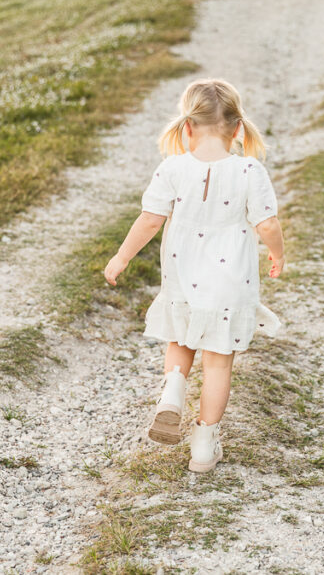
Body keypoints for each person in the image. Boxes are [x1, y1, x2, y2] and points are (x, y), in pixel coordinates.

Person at [103, 79, 285, 473]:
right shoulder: (250, 170)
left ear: (187, 127)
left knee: (180, 341)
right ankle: (204, 446)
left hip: (184, 282)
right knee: (219, 364)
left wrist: (121, 258)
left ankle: (172, 391)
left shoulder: (172, 168)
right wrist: (277, 252)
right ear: (238, 129)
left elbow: (150, 220)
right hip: (230, 287)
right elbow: (267, 224)